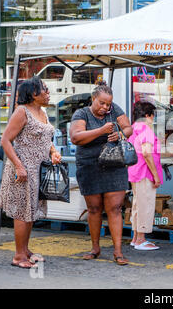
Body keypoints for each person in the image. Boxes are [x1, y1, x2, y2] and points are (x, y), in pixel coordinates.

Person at [0, 76, 62, 269]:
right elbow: (5, 140)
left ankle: (25, 250)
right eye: (45, 89)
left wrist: (53, 151)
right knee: (21, 212)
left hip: (37, 170)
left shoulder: (42, 112)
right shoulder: (21, 111)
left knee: (31, 212)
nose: (48, 92)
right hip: (23, 169)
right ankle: (18, 256)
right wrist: (19, 166)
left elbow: (45, 137)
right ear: (34, 94)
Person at [70, 81, 132, 265]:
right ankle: (95, 248)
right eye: (102, 103)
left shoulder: (115, 110)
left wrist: (120, 134)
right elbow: (76, 137)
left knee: (114, 208)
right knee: (94, 208)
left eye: (108, 104)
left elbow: (128, 128)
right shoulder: (81, 114)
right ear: (93, 99)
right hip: (90, 165)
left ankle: (118, 252)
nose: (105, 107)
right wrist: (101, 131)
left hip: (114, 165)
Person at [128, 101, 163, 250]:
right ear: (148, 115)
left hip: (135, 172)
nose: (153, 119)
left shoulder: (134, 127)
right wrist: (155, 175)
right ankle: (141, 239)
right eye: (153, 116)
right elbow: (147, 153)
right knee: (145, 205)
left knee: (137, 204)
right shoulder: (146, 129)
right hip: (144, 173)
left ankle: (136, 237)